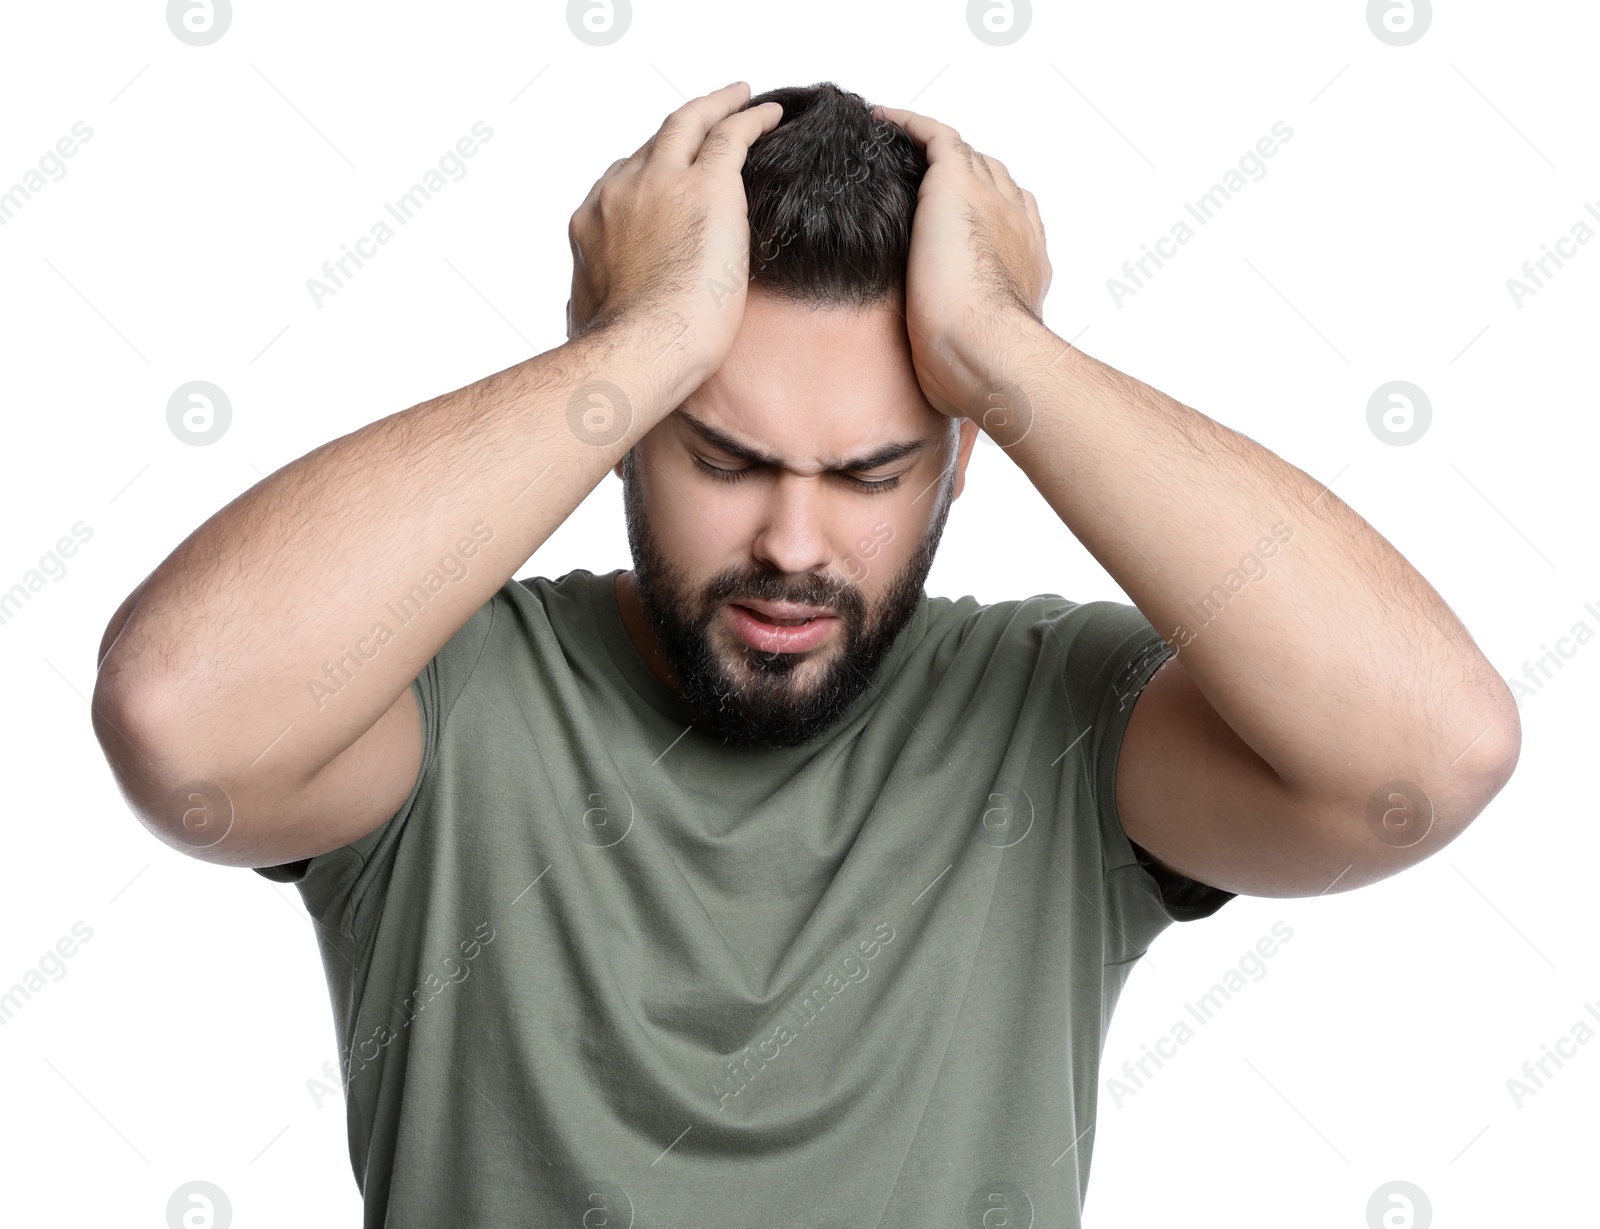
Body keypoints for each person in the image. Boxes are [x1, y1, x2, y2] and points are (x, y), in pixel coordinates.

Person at [90, 80, 1520, 1228]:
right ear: (624, 423)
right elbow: (177, 717)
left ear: (962, 459)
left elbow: (1429, 755)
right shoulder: (444, 697)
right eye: (723, 453)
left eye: (869, 471)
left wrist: (1007, 348)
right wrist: (645, 331)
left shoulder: (1059, 726)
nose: (792, 541)